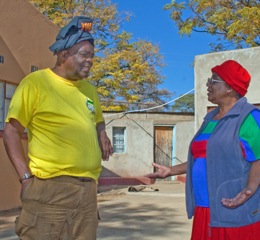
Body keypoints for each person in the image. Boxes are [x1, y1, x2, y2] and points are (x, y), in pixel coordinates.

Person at [3, 16, 113, 240]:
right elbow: (12, 131)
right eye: (84, 54)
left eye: (92, 56)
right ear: (64, 54)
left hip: (88, 191)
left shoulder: (89, 91)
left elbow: (97, 118)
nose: (90, 60)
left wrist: (101, 132)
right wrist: (25, 178)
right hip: (50, 191)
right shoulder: (36, 83)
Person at [145, 60, 260, 240]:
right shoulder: (210, 119)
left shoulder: (248, 117)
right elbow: (204, 156)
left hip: (234, 209)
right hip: (205, 208)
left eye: (214, 80)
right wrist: (171, 170)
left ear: (230, 87)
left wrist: (251, 187)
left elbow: (258, 156)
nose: (208, 84)